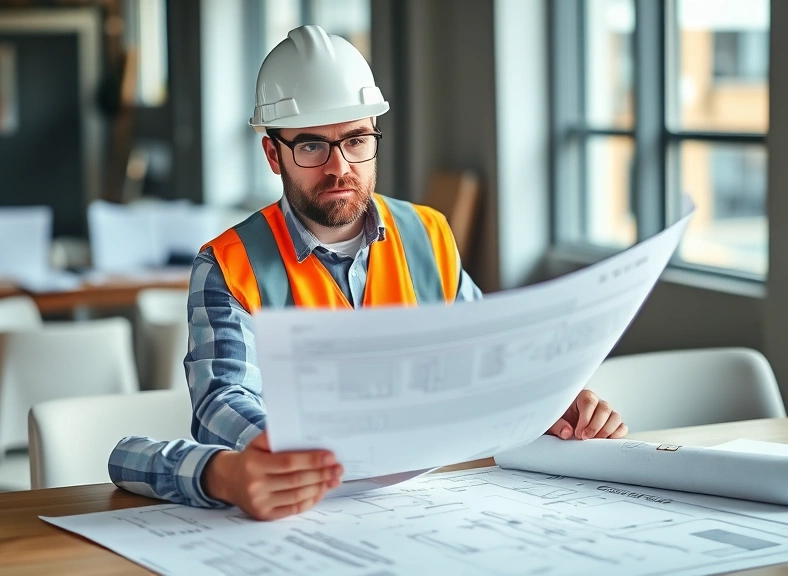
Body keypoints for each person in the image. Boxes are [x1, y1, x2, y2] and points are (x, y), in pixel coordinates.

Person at [109, 25, 627, 521]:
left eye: (356, 140)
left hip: (430, 501)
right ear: (273, 153)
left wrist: (547, 401)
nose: (340, 167)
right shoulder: (228, 264)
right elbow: (221, 401)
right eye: (312, 145)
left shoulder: (429, 234)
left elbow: (485, 361)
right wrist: (288, 454)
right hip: (309, 507)